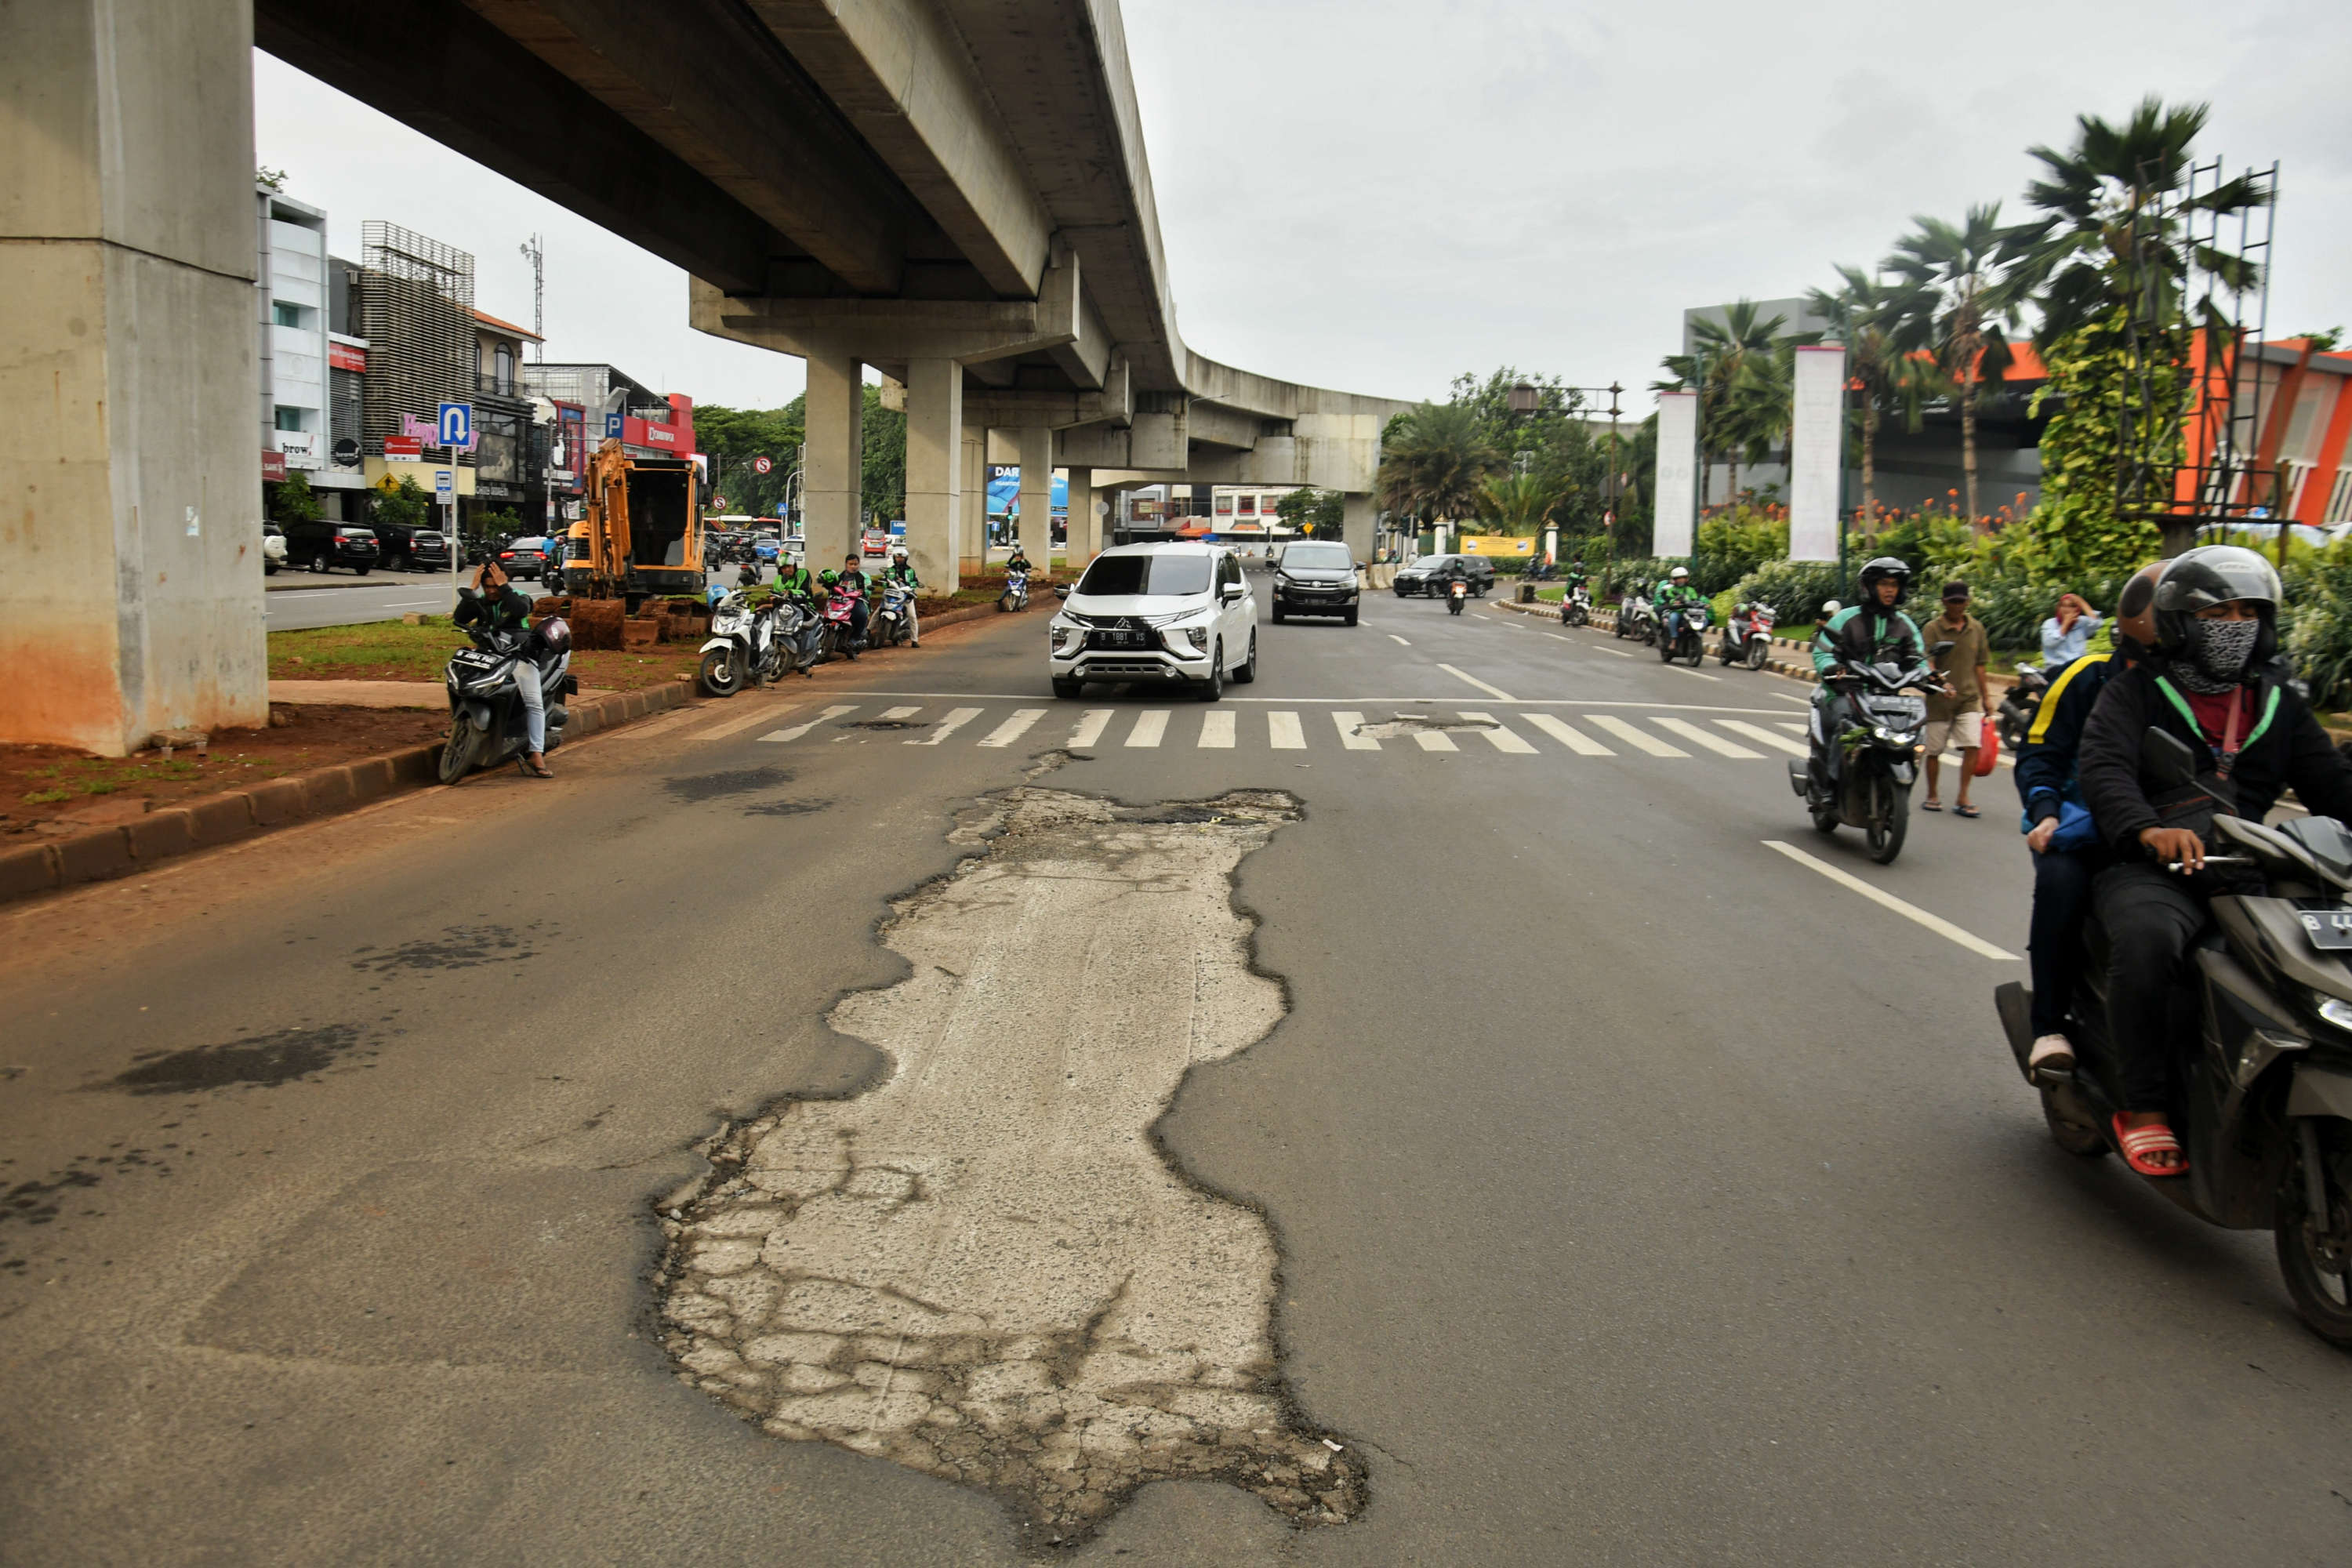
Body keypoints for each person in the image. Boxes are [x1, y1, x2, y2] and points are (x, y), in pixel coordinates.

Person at [2078, 546, 2352, 1175]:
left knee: (2324, 960)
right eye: (2220, 613)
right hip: (2156, 869)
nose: (2237, 626)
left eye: (2249, 613)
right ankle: (2143, 1107)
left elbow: (2332, 787)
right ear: (2180, 622)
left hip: (2254, 869)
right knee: (2148, 941)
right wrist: (2148, 830)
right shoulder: (2135, 692)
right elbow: (2105, 769)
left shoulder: (2279, 705)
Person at [2010, 560, 2164, 1077]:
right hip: (2085, 828)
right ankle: (2049, 1025)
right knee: (2060, 882)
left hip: (2177, 836)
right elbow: (2039, 752)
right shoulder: (2088, 676)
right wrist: (2048, 813)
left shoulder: (2209, 691)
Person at [1806, 557, 1924, 800]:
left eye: (1894, 584)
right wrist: (1831, 668)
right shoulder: (1846, 619)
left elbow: (1918, 658)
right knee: (1845, 723)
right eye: (1883, 583)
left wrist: (1928, 675)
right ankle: (1830, 785)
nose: (1890, 589)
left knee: (1912, 729)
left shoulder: (1905, 625)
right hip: (1845, 692)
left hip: (1885, 697)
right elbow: (1823, 651)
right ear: (1869, 586)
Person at [452, 560, 552, 779]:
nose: (491, 591)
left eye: (494, 586)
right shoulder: (481, 601)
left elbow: (520, 609)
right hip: (488, 656)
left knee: (534, 701)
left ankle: (536, 752)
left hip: (519, 656)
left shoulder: (518, 596)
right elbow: (460, 618)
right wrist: (471, 589)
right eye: (487, 586)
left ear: (504, 581)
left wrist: (504, 587)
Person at [1921, 581, 1993, 818]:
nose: (1958, 606)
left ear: (1968, 602)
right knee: (1934, 749)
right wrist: (1941, 683)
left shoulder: (1977, 629)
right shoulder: (1933, 629)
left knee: (1972, 744)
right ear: (1944, 603)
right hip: (1939, 698)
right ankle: (1932, 794)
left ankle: (1963, 795)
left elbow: (1980, 666)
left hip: (1968, 698)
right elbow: (1928, 662)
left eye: (1962, 601)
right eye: (1953, 602)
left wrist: (1987, 698)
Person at [2041, 593, 2103, 669]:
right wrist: (2065, 624)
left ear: (2077, 609)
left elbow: (2097, 624)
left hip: (2079, 667)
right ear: (2059, 608)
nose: (2066, 609)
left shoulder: (2081, 622)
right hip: (2057, 668)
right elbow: (2050, 642)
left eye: (2071, 606)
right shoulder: (2050, 623)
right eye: (2063, 606)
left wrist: (2082, 603)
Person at [884, 546, 922, 648]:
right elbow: (885, 581)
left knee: (912, 616)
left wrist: (907, 583)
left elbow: (914, 582)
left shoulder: (910, 571)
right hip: (892, 595)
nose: (899, 559)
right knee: (879, 610)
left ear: (906, 559)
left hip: (905, 596)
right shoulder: (890, 570)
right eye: (897, 557)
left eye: (902, 558)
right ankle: (868, 630)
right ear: (894, 558)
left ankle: (914, 640)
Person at [837, 554, 870, 646]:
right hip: (840, 602)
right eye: (851, 564)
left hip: (857, 601)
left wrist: (863, 591)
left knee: (862, 614)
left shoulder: (864, 577)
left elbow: (867, 590)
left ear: (859, 565)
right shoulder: (839, 576)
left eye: (855, 564)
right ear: (846, 564)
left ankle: (855, 638)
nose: (853, 567)